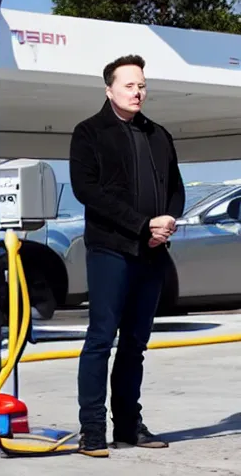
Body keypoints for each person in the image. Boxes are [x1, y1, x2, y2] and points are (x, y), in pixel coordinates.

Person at [69, 54, 185, 457]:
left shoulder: (158, 133)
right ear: (109, 89)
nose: (138, 92)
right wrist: (141, 225)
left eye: (142, 85)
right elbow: (88, 191)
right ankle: (92, 431)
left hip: (152, 253)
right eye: (129, 85)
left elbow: (175, 187)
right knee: (101, 338)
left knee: (136, 342)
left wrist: (167, 220)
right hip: (111, 250)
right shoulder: (89, 132)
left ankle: (129, 427)